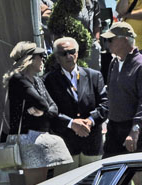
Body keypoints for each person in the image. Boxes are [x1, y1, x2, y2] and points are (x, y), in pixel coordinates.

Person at [2, 42, 74, 185]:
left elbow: (53, 108)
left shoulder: (38, 81)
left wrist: (41, 113)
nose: (43, 59)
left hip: (39, 138)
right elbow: (43, 104)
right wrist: (44, 109)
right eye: (40, 56)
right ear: (29, 59)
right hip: (26, 138)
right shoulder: (18, 80)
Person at [43, 37, 108, 171]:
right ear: (57, 57)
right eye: (63, 53)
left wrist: (90, 121)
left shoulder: (94, 76)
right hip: (65, 146)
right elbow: (49, 111)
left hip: (91, 144)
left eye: (71, 51)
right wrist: (71, 123)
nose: (68, 56)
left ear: (77, 53)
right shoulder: (49, 80)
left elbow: (105, 105)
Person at [97, 22, 142, 157]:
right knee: (110, 169)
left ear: (124, 40)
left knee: (137, 173)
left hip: (135, 127)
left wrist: (135, 130)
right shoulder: (114, 63)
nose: (108, 43)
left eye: (111, 39)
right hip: (114, 126)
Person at [50, 0, 100, 67]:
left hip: (89, 45)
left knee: (92, 76)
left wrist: (97, 39)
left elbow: (97, 18)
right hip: (68, 47)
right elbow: (53, 20)